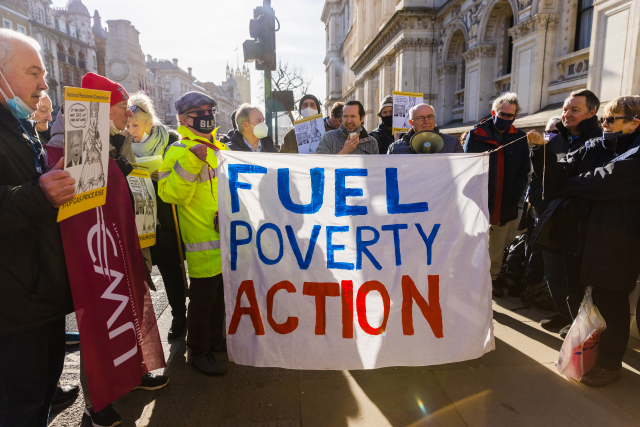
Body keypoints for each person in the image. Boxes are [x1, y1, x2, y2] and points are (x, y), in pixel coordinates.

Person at [527, 96, 640, 386]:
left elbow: (605, 181)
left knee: (609, 302)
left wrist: (572, 184)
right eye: (602, 118)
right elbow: (558, 175)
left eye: (610, 119)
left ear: (633, 123)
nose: (603, 124)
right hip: (578, 239)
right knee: (577, 297)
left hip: (617, 242)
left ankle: (610, 363)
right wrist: (541, 152)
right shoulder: (593, 146)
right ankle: (586, 354)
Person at [79, 73, 168, 427]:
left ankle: (132, 374)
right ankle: (96, 401)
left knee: (131, 308)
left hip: (127, 239)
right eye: (119, 108)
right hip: (96, 248)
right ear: (100, 109)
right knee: (100, 320)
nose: (126, 114)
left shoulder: (119, 139)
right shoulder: (75, 140)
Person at [0, 28, 77, 426]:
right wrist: (39, 193)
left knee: (41, 401)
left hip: (39, 298)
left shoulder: (21, 127)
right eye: (33, 72)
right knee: (22, 409)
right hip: (14, 307)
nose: (44, 84)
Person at [158, 92, 229, 376]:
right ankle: (198, 351)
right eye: (197, 112)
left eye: (208, 110)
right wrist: (191, 162)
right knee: (201, 302)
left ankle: (215, 341)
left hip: (226, 241)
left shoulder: (221, 148)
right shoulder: (178, 151)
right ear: (182, 119)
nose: (204, 115)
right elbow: (170, 194)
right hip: (202, 243)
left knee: (220, 299)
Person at [530, 91, 601, 337]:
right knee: (555, 273)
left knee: (578, 280)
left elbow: (581, 185)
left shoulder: (598, 142)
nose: (566, 114)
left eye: (574, 110)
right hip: (550, 217)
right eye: (565, 108)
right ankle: (563, 312)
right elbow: (540, 177)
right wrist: (539, 204)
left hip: (576, 222)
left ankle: (579, 324)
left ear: (592, 113)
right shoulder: (557, 139)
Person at [128, 92, 187, 340]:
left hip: (171, 215)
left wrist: (163, 177)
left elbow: (184, 173)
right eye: (128, 125)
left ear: (149, 122)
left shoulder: (172, 139)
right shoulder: (123, 145)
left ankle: (180, 316)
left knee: (173, 267)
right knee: (153, 269)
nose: (131, 130)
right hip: (142, 215)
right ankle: (159, 321)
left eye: (136, 125)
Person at [464, 92, 530, 297]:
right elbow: (466, 166)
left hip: (505, 202)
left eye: (510, 116)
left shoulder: (519, 137)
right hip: (479, 201)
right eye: (502, 114)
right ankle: (472, 278)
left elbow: (523, 170)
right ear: (494, 112)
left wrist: (514, 196)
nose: (506, 118)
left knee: (498, 244)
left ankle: (491, 280)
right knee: (475, 241)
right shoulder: (476, 134)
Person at [387, 103, 463, 154]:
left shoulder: (453, 144)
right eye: (421, 118)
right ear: (411, 122)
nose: (426, 121)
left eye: (430, 116)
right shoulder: (395, 149)